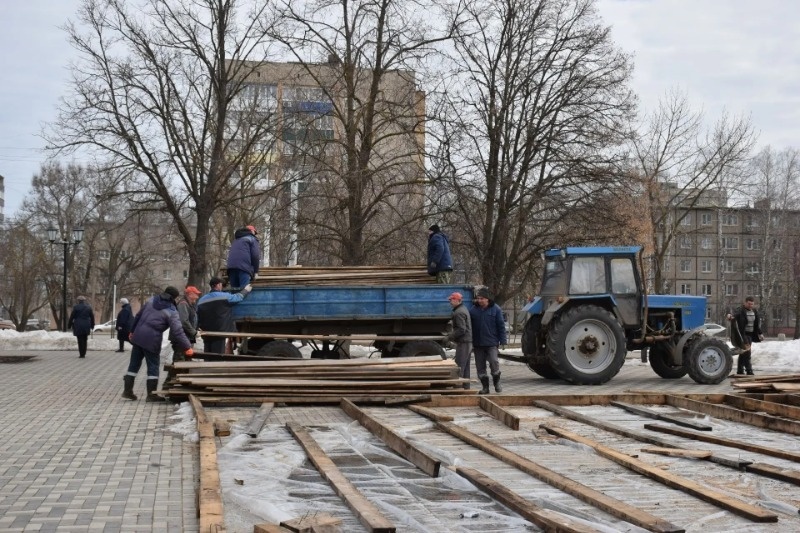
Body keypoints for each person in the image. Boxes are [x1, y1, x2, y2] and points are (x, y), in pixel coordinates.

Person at [122, 286, 192, 402]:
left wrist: (132, 331)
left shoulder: (151, 300)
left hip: (138, 336)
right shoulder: (171, 310)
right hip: (152, 339)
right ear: (174, 297)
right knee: (153, 366)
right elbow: (178, 331)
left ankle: (127, 391)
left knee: (134, 364)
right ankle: (152, 394)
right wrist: (187, 346)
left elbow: (138, 315)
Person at [197, 277, 252, 354]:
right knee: (217, 357)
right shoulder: (224, 296)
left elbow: (198, 316)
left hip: (207, 333)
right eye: (221, 284)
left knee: (208, 356)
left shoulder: (201, 300)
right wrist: (246, 290)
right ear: (218, 285)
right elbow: (238, 297)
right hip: (219, 333)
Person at [469, 287, 507, 394]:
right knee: (480, 367)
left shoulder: (496, 309)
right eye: (478, 298)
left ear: (487, 299)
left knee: (494, 362)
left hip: (491, 343)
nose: (479, 300)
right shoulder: (473, 310)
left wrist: (503, 341)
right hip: (478, 344)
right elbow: (469, 326)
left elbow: (501, 326)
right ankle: (485, 388)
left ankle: (497, 383)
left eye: (482, 298)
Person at [727, 296, 764, 375]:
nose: (750, 306)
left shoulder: (754, 311)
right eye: (749, 304)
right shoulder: (741, 310)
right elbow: (734, 315)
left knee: (743, 352)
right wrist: (730, 316)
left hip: (751, 334)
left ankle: (740, 370)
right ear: (745, 303)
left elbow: (756, 324)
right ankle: (749, 370)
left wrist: (760, 333)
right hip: (743, 334)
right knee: (747, 352)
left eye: (752, 304)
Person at [447, 292, 473, 389]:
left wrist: (450, 336)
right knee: (466, 367)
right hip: (467, 342)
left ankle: (458, 388)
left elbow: (462, 329)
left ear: (458, 300)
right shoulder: (463, 309)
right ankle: (466, 387)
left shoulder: (459, 312)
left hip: (464, 342)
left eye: (452, 300)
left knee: (460, 366)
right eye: (450, 300)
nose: (450, 302)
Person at [171, 286, 201, 362]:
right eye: (196, 294)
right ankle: (175, 374)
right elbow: (183, 321)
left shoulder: (188, 304)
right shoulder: (183, 304)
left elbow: (191, 319)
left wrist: (196, 328)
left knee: (186, 360)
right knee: (179, 361)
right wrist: (194, 332)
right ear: (190, 294)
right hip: (181, 339)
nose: (197, 296)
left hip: (185, 338)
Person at [226, 225, 261, 289]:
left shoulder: (236, 240)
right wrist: (256, 272)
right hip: (243, 268)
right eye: (254, 232)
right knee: (244, 291)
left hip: (231, 268)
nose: (255, 234)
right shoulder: (252, 239)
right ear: (251, 231)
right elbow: (255, 256)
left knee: (234, 292)